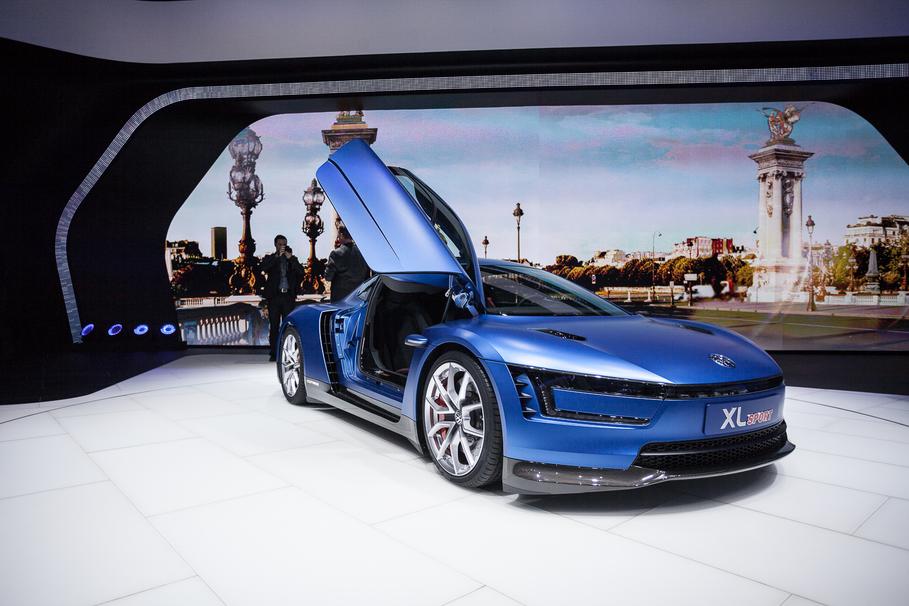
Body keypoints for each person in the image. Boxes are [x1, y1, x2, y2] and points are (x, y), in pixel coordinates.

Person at [260, 234, 304, 361]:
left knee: (288, 326)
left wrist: (291, 259)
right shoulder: (270, 258)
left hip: (288, 297)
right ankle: (274, 353)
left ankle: (288, 353)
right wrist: (277, 257)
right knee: (274, 326)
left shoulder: (291, 259)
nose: (282, 247)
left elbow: (301, 272)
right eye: (280, 244)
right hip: (274, 297)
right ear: (275, 245)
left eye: (284, 244)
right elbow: (263, 268)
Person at [325, 226, 370, 302]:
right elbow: (367, 277)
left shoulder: (336, 254)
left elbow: (328, 277)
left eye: (338, 235)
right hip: (358, 296)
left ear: (341, 235)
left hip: (340, 298)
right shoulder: (362, 253)